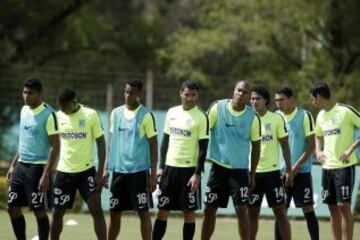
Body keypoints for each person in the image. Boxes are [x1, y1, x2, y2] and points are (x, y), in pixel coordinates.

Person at [200, 80, 261, 240]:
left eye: (245, 92)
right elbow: (203, 136)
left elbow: (256, 147)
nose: (241, 94)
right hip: (217, 169)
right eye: (239, 90)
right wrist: (197, 167)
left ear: (249, 97)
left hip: (239, 172)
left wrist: (252, 174)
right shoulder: (217, 108)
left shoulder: (253, 118)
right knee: (209, 210)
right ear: (234, 90)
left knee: (242, 210)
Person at [152, 80, 209, 240]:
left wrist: (197, 174)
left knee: (189, 212)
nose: (190, 98)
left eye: (193, 95)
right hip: (169, 169)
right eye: (187, 94)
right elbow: (165, 142)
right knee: (162, 210)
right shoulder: (172, 112)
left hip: (189, 171)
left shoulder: (202, 117)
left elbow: (203, 148)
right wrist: (161, 166)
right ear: (180, 94)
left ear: (197, 96)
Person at [50, 89, 107, 240]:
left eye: (65, 107)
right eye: (60, 106)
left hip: (87, 171)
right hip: (63, 172)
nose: (62, 110)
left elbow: (101, 143)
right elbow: (52, 145)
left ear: (74, 102)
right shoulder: (57, 116)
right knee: (57, 213)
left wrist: (100, 172)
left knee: (96, 210)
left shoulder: (91, 115)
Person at [7, 78, 60, 240]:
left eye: (30, 93)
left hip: (38, 168)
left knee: (38, 210)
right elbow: (23, 141)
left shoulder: (49, 114)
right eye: (24, 92)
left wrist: (46, 174)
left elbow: (55, 146)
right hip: (21, 166)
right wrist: (13, 164)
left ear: (39, 94)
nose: (26, 96)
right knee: (12, 207)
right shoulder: (24, 110)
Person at [105, 79, 158, 240]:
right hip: (119, 172)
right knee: (114, 213)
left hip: (139, 172)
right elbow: (112, 143)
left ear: (139, 95)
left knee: (143, 213)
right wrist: (106, 169)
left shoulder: (146, 116)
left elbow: (153, 147)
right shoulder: (116, 113)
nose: (128, 95)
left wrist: (153, 175)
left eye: (132, 93)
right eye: (126, 92)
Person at [310, 82, 360, 240]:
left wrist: (351, 149)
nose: (312, 103)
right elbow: (318, 135)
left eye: (312, 99)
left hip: (344, 166)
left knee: (343, 206)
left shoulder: (345, 111)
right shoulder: (320, 116)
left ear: (318, 96)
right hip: (327, 168)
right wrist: (318, 151)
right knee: (332, 208)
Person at [274, 86, 319, 240]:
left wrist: (295, 168)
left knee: (308, 209)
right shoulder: (275, 117)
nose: (278, 103)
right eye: (276, 100)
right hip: (281, 174)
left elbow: (312, 145)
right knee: (280, 211)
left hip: (302, 172)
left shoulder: (304, 116)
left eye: (281, 100)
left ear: (291, 100)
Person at [249, 85, 292, 240]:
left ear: (265, 100)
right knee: (252, 213)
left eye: (258, 98)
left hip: (272, 174)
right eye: (252, 99)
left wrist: (289, 170)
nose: (254, 102)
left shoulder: (276, 118)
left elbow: (285, 146)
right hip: (251, 174)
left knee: (280, 212)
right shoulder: (246, 118)